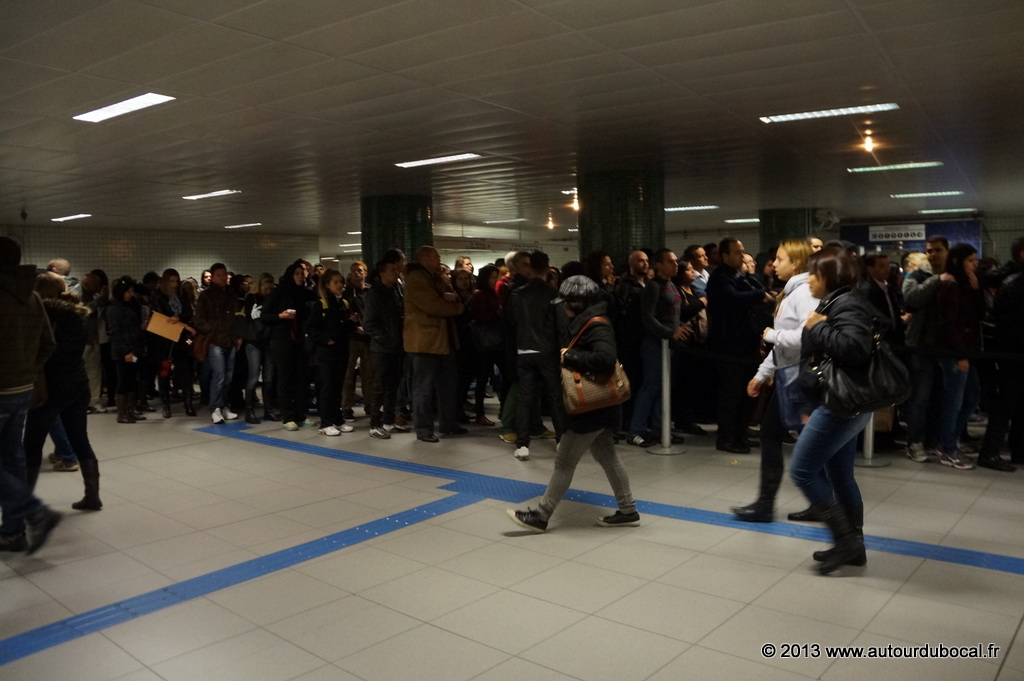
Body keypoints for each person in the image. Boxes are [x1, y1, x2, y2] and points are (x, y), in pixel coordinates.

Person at [507, 276, 640, 533]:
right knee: (609, 459)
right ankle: (628, 510)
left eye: (566, 302)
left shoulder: (596, 325)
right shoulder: (586, 322)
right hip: (601, 408)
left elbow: (606, 358)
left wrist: (570, 355)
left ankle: (541, 516)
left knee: (564, 463)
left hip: (590, 410)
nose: (563, 307)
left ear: (578, 302)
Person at [789, 247, 875, 574]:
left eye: (814, 274)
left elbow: (855, 348)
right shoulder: (839, 301)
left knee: (802, 469)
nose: (809, 280)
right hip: (844, 402)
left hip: (840, 403)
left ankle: (845, 540)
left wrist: (818, 326)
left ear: (829, 276)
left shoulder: (846, 303)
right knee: (840, 474)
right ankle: (854, 546)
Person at [732, 239, 817, 523]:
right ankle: (775, 503)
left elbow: (809, 336)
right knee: (776, 436)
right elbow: (783, 348)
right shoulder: (792, 291)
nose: (774, 264)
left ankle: (770, 504)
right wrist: (762, 374)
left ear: (796, 262)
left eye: (780, 259)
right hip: (789, 376)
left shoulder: (803, 292)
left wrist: (772, 335)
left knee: (786, 438)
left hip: (799, 379)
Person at [0, 236, 62, 554]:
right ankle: (12, 532)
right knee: (12, 458)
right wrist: (28, 370)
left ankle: (34, 513)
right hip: (22, 390)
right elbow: (49, 344)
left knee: (10, 459)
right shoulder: (33, 296)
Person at [23, 272, 104, 511]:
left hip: (51, 387)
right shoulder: (76, 314)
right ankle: (92, 496)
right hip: (78, 384)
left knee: (32, 444)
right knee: (80, 439)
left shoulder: (43, 316)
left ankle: (24, 504)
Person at [706, 238, 773, 453]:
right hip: (728, 344)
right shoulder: (720, 278)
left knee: (747, 393)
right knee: (731, 393)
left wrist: (754, 283)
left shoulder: (740, 275)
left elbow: (758, 288)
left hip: (746, 343)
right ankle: (726, 438)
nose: (742, 256)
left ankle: (740, 433)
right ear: (724, 256)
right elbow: (733, 298)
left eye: (743, 251)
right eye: (737, 252)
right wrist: (759, 295)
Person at [626, 248, 689, 448]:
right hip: (655, 344)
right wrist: (670, 332)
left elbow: (672, 314)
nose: (675, 264)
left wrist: (680, 327)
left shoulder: (671, 285)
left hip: (668, 344)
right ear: (659, 264)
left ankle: (659, 430)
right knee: (651, 386)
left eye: (676, 261)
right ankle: (635, 431)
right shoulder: (653, 287)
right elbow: (648, 318)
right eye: (670, 261)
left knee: (663, 388)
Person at [931, 243, 985, 470]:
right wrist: (960, 355)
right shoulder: (950, 286)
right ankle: (948, 447)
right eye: (970, 260)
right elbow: (949, 325)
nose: (975, 264)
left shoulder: (965, 286)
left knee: (972, 396)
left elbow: (979, 315)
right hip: (954, 353)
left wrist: (976, 289)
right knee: (953, 401)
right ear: (958, 261)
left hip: (966, 350)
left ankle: (949, 440)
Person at [404, 246, 465, 443]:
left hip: (442, 341)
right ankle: (423, 429)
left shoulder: (435, 277)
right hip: (424, 342)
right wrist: (457, 307)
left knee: (448, 385)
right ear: (425, 259)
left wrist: (451, 298)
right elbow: (432, 305)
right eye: (435, 257)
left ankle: (449, 424)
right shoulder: (416, 279)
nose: (439, 260)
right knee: (424, 388)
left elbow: (451, 294)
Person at [507, 251, 563, 460]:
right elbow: (561, 326)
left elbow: (511, 322)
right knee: (554, 397)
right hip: (547, 351)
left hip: (524, 350)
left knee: (525, 398)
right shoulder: (553, 294)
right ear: (547, 268)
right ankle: (561, 442)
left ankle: (523, 445)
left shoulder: (517, 294)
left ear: (530, 267)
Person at [261, 261, 317, 430]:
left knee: (301, 379)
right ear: (290, 275)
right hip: (281, 340)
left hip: (299, 340)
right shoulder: (278, 293)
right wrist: (280, 316)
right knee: (285, 378)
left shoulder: (304, 294)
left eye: (302, 274)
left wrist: (313, 275)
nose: (300, 276)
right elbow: (264, 316)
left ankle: (300, 415)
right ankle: (287, 417)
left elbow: (317, 297)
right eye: (297, 273)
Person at [306, 269, 355, 436]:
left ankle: (337, 420)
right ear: (327, 285)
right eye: (336, 282)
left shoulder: (343, 303)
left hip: (341, 351)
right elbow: (310, 327)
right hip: (326, 353)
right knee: (327, 387)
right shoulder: (321, 305)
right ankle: (325, 423)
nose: (339, 285)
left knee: (337, 387)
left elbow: (343, 327)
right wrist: (325, 339)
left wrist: (352, 323)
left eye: (341, 282)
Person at [363, 257, 408, 439]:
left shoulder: (395, 291)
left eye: (397, 270)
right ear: (382, 273)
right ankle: (375, 424)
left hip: (396, 347)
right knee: (379, 386)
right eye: (392, 270)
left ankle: (388, 422)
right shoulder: (375, 294)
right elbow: (369, 323)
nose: (396, 273)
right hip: (381, 349)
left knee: (393, 386)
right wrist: (386, 339)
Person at [195, 263, 241, 424]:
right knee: (219, 374)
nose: (223, 278)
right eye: (219, 275)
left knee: (228, 376)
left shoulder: (231, 294)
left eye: (224, 274)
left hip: (230, 339)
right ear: (213, 277)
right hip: (215, 341)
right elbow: (199, 319)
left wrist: (237, 336)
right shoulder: (206, 296)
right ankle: (215, 408)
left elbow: (237, 316)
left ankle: (223, 405)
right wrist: (212, 331)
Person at [150, 269, 197, 419]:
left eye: (176, 281)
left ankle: (188, 403)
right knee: (164, 372)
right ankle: (166, 405)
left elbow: (188, 312)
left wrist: (179, 319)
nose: (174, 285)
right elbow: (159, 316)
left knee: (185, 371)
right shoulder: (157, 296)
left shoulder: (182, 295)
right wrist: (174, 319)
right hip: (164, 340)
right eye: (171, 281)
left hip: (181, 338)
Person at [106, 275, 147, 424]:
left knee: (132, 378)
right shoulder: (113, 309)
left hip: (134, 349)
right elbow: (115, 333)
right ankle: (122, 413)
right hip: (122, 353)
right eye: (128, 291)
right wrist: (126, 351)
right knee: (123, 380)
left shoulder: (131, 305)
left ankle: (131, 410)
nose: (131, 294)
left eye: (132, 291)